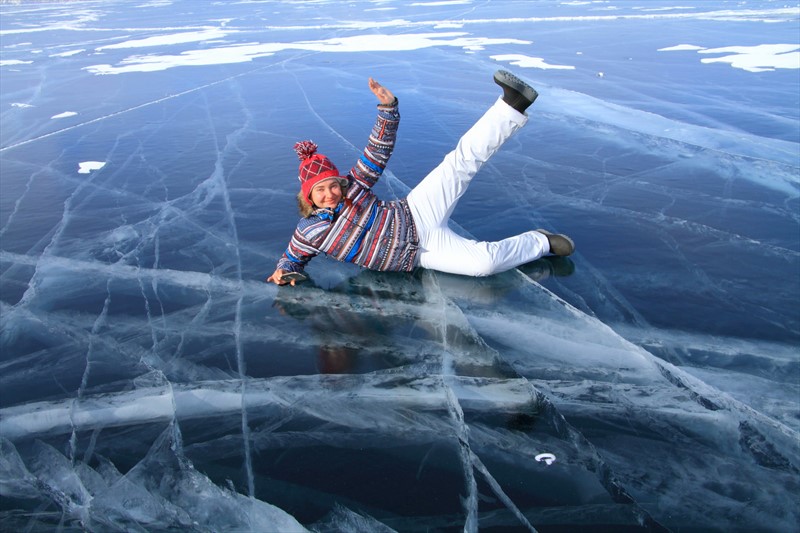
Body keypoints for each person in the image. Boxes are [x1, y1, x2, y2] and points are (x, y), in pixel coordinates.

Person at [267, 70, 574, 286]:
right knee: (485, 265)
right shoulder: (309, 232)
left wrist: (387, 109)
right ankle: (541, 241)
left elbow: (377, 152)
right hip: (421, 255)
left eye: (332, 184)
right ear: (307, 196)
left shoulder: (355, 187)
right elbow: (292, 258)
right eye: (320, 190)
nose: (331, 192)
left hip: (415, 212)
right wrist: (284, 271)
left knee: (460, 163)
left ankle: (512, 105)